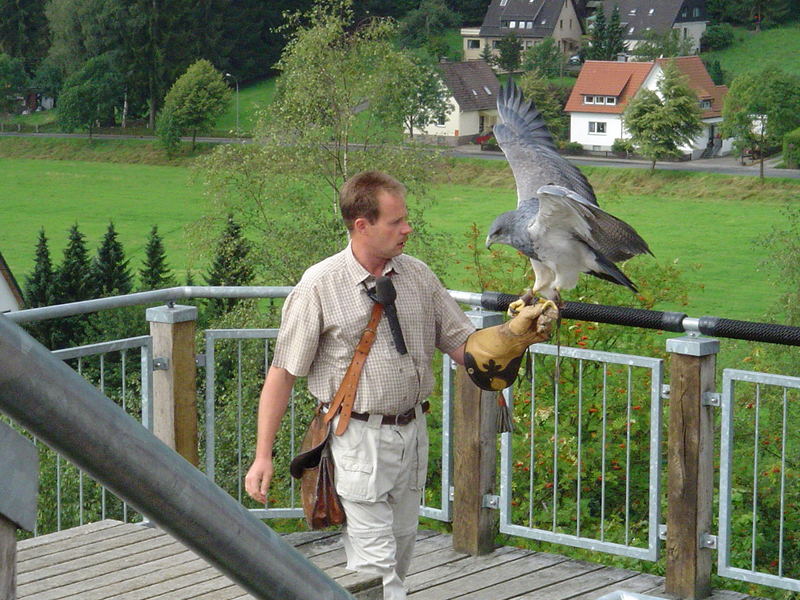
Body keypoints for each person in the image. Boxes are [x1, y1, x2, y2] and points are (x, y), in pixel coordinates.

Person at [245, 171, 475, 599]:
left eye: (406, 219)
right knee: (376, 563)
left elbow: (464, 346)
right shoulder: (319, 286)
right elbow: (281, 375)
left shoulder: (418, 276)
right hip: (357, 438)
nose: (408, 229)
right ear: (362, 225)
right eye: (396, 222)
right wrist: (263, 456)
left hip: (413, 433)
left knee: (402, 547)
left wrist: (518, 336)